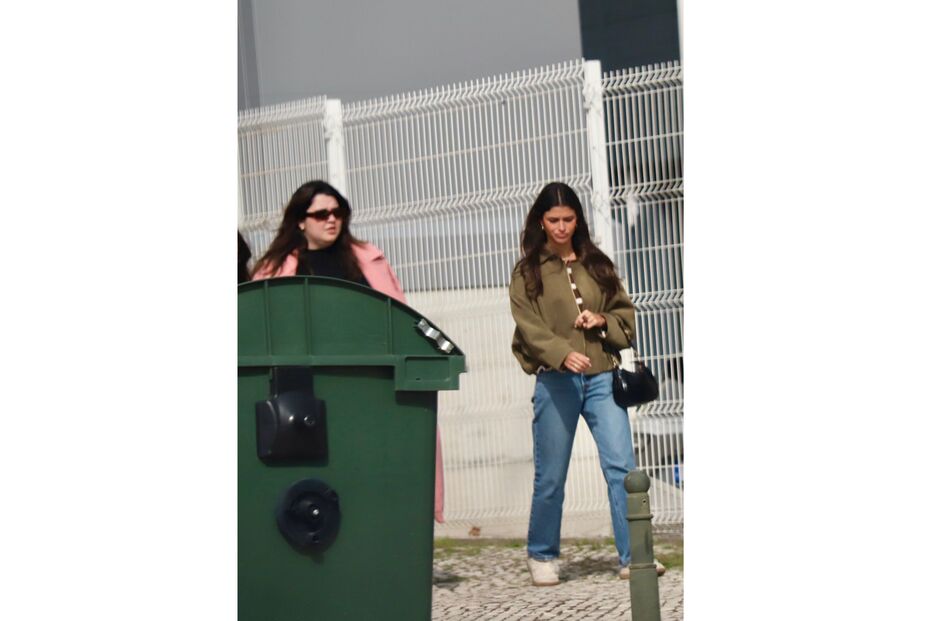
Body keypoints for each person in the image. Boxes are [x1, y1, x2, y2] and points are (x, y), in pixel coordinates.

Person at [251, 180, 445, 523]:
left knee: (369, 468)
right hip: (304, 388)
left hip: (368, 381)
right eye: (321, 214)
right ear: (300, 221)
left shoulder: (368, 260)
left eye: (338, 212)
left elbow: (400, 315)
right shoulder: (276, 269)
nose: (332, 219)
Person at [509, 181, 664, 585]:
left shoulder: (598, 264)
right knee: (551, 475)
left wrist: (602, 321)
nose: (561, 227)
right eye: (553, 220)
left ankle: (636, 557)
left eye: (568, 219)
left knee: (622, 468)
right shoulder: (526, 272)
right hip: (555, 383)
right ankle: (542, 554)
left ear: (578, 220)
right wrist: (561, 353)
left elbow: (625, 316)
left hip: (602, 380)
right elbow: (528, 327)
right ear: (541, 222)